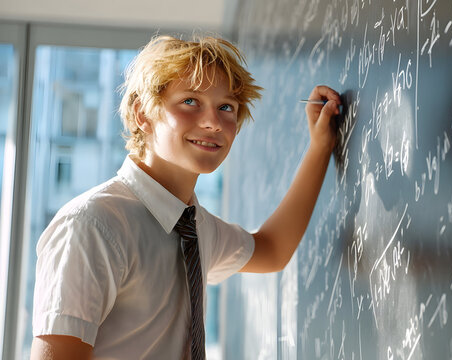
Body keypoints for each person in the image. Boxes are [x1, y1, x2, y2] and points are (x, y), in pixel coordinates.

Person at [30, 35, 341, 359]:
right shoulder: (92, 225)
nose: (213, 123)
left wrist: (320, 146)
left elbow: (273, 250)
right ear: (142, 114)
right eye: (190, 101)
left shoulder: (194, 225)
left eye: (226, 107)